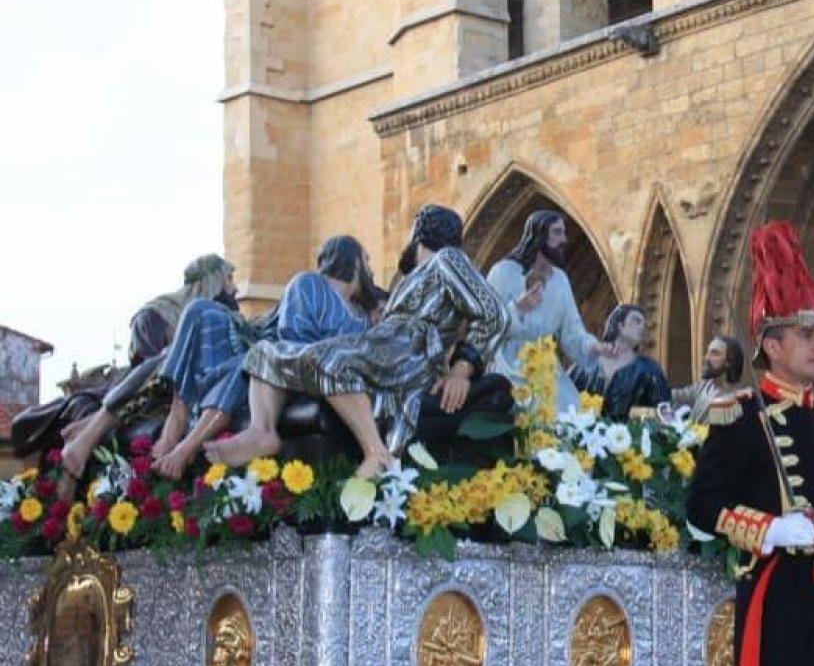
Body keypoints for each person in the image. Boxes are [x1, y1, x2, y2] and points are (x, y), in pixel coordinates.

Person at [686, 220, 814, 666]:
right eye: (807, 335)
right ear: (770, 344)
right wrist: (769, 529)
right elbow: (702, 503)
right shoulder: (741, 414)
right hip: (781, 593)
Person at [206, 205, 508, 479]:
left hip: (408, 350)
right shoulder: (413, 278)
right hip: (381, 344)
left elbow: (495, 313)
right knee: (265, 352)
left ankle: (378, 454)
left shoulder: (448, 259)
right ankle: (262, 432)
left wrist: (462, 368)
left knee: (332, 360)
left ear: (419, 233)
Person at [149, 235, 380, 478]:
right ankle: (175, 426)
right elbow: (293, 336)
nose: (372, 270)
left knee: (250, 361)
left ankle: (186, 448)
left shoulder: (362, 316)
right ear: (353, 262)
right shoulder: (310, 284)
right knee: (201, 312)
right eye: (367, 260)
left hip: (295, 366)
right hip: (273, 351)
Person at [50, 255, 238, 498]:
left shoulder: (227, 320)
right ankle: (90, 433)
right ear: (211, 280)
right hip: (159, 390)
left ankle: (92, 426)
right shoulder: (157, 314)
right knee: (166, 358)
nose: (234, 288)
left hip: (200, 387)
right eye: (229, 279)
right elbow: (146, 362)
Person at [485, 210, 618, 410]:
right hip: (507, 367)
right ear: (539, 234)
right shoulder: (503, 272)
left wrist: (595, 347)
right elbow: (485, 325)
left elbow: (572, 332)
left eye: (563, 233)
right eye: (557, 232)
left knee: (569, 416)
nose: (564, 239)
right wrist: (517, 309)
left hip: (545, 368)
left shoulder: (560, 279)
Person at [570, 304, 671, 420]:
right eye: (637, 321)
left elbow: (663, 412)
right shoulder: (584, 367)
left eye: (644, 324)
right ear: (620, 325)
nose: (643, 327)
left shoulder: (650, 370)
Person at [663, 336, 745, 423]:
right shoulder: (705, 385)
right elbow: (678, 396)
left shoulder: (735, 399)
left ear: (729, 362)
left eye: (715, 354)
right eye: (707, 352)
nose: (706, 358)